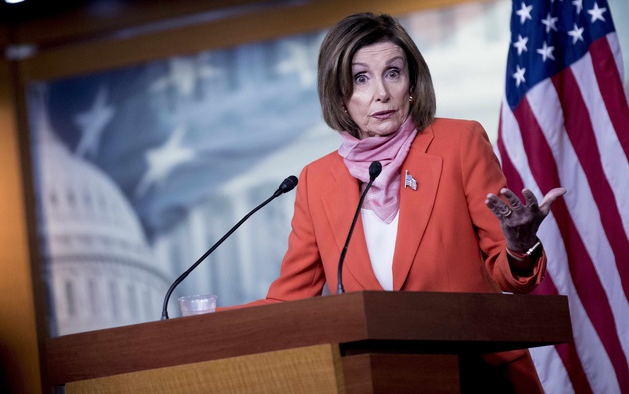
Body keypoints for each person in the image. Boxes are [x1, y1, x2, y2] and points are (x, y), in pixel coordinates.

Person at [229, 12, 566, 392]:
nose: (381, 93)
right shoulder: (316, 181)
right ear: (338, 95)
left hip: (478, 374)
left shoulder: (459, 143)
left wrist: (519, 246)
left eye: (393, 72)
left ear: (411, 83)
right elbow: (288, 303)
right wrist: (203, 321)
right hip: (383, 380)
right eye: (360, 79)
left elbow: (510, 276)